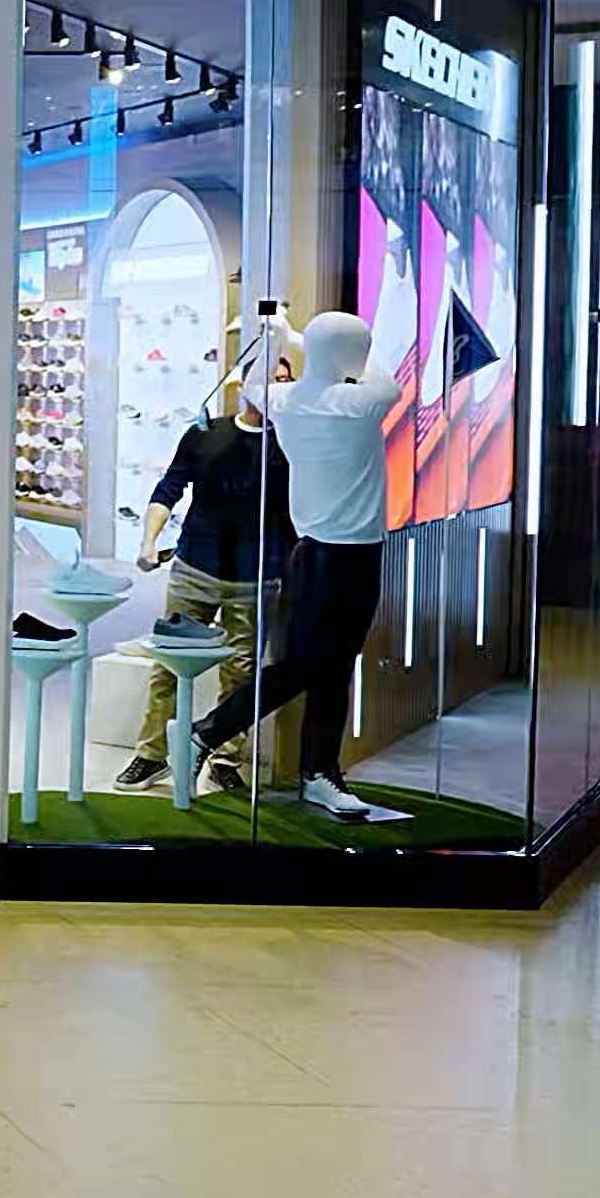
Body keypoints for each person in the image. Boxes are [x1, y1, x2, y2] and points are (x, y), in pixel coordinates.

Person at [190, 310, 408, 823]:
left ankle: (318, 773)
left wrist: (283, 336)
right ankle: (210, 732)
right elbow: (387, 381)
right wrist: (295, 337)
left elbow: (252, 380)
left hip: (321, 555)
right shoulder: (359, 401)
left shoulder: (285, 400)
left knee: (331, 667)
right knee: (308, 667)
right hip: (342, 557)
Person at [116, 366, 294, 795]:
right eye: (269, 377)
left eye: (284, 379)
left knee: (241, 674)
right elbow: (169, 489)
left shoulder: (294, 443)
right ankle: (152, 754)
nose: (276, 387)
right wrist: (149, 541)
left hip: (257, 577)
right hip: (195, 567)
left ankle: (224, 756)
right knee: (168, 665)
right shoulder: (205, 433)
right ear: (244, 385)